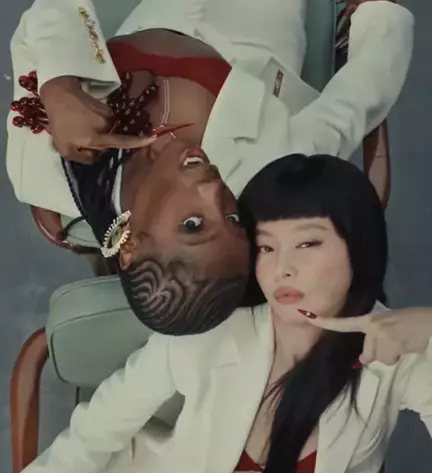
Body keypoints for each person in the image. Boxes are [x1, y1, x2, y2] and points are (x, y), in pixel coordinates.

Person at [2, 153, 432, 473]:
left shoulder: (393, 351)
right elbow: (86, 442)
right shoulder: (211, 333)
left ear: (359, 245)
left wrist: (429, 325)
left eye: (307, 243)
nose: (282, 268)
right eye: (266, 246)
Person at [7, 0, 414, 336]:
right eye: (233, 218)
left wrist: (58, 86)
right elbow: (354, 104)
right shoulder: (268, 163)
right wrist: (378, 14)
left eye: (193, 225)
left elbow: (49, 12)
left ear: (130, 247)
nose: (214, 191)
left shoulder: (46, 170)